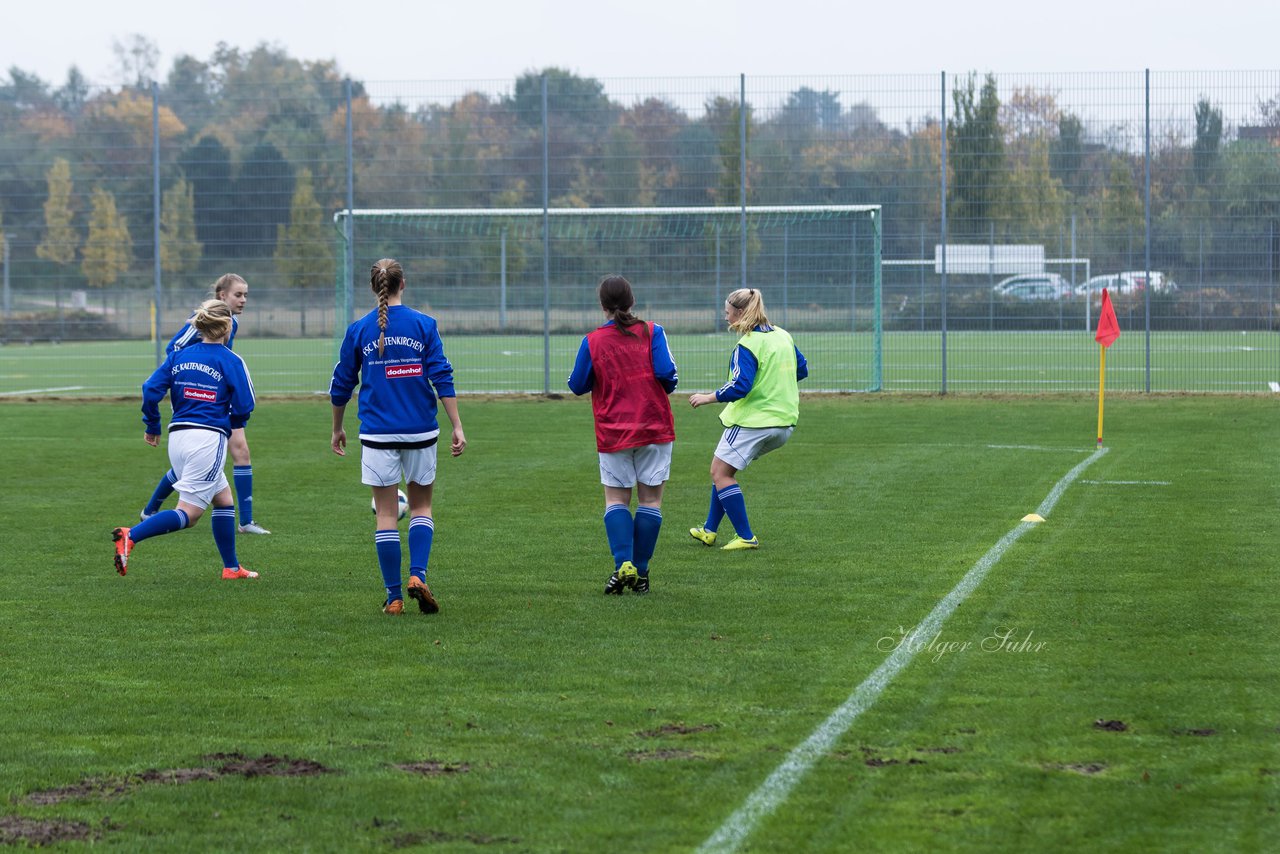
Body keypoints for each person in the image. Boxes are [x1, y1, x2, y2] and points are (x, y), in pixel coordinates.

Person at [330, 258, 466, 616]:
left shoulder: (359, 329)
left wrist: (337, 427)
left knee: (386, 515)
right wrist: (457, 424)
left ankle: (393, 597)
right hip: (421, 429)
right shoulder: (424, 324)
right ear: (402, 283)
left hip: (377, 433)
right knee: (421, 507)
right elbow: (442, 376)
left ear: (374, 287)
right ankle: (417, 575)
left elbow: (341, 384)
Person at [112, 299, 259, 580]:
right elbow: (245, 405)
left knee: (224, 500)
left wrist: (152, 424)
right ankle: (131, 535)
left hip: (177, 437)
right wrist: (231, 423)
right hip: (207, 439)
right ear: (227, 326)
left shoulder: (180, 356)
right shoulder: (231, 360)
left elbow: (150, 389)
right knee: (189, 515)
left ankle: (231, 567)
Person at [568, 275, 678, 595]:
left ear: (602, 306)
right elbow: (667, 374)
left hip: (614, 428)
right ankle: (640, 572)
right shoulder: (652, 331)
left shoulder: (593, 341)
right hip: (654, 426)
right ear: (632, 302)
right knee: (651, 501)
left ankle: (623, 564)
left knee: (616, 499)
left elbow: (577, 385)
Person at [139, 273, 271, 535]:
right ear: (222, 295)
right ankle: (150, 513)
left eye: (246, 295)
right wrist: (195, 374)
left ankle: (244, 522)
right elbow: (174, 348)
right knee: (201, 462)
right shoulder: (208, 316)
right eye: (238, 294)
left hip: (217, 400)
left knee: (236, 453)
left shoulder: (230, 321)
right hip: (197, 398)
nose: (243, 300)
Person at [688, 287, 808, 550]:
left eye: (728, 312)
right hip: (785, 422)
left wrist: (708, 397)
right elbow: (802, 368)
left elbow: (739, 387)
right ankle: (709, 530)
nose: (726, 317)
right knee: (724, 471)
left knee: (720, 472)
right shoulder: (783, 335)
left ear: (741, 313)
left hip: (755, 422)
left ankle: (745, 536)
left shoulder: (748, 344)